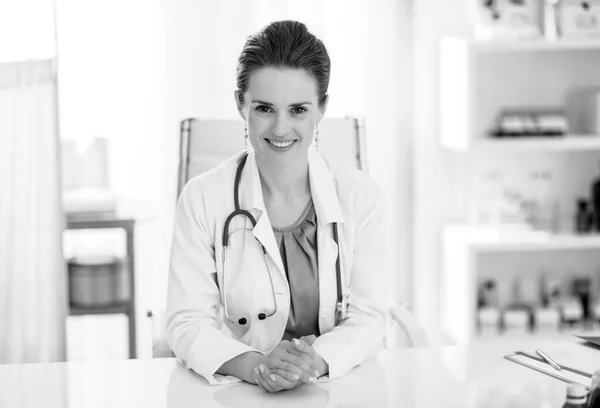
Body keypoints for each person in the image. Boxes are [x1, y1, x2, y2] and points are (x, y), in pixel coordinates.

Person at [166, 20, 389, 393]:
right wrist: (258, 367)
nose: (281, 128)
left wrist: (310, 363)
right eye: (265, 108)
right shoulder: (202, 198)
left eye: (298, 110)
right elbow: (186, 321)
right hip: (235, 390)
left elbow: (368, 317)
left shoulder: (361, 199)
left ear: (322, 109)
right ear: (241, 105)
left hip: (335, 387)